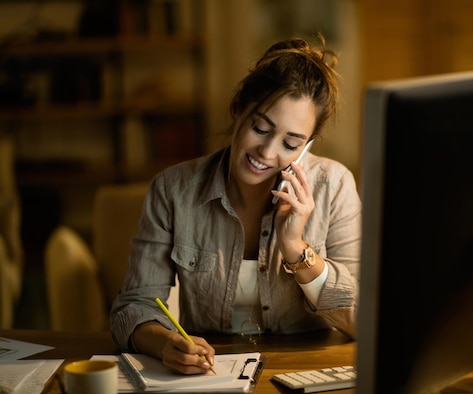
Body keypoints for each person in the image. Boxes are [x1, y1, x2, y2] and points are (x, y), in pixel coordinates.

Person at [110, 35, 361, 375]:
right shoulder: (173, 190)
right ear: (237, 108)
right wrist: (163, 342)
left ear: (306, 147)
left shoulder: (334, 185)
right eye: (260, 128)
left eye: (290, 143)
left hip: (305, 371)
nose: (268, 153)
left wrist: (295, 248)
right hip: (209, 376)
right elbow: (132, 308)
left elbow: (362, 319)